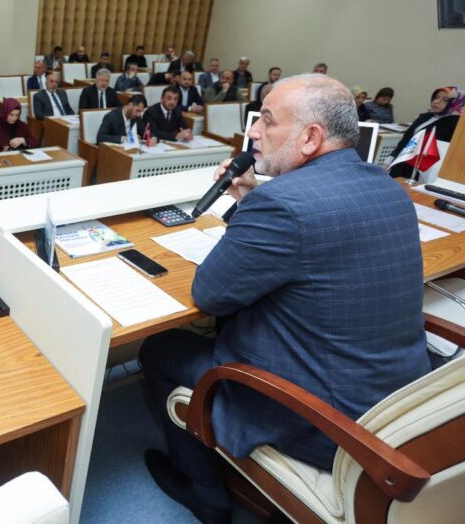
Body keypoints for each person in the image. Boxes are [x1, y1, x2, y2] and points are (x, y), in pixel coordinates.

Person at [139, 75, 429, 524]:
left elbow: (211, 294)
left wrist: (255, 207)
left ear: (311, 138)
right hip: (395, 400)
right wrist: (252, 201)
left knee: (160, 347)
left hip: (324, 420)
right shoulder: (389, 187)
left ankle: (204, 492)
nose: (253, 131)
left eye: (267, 122)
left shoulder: (284, 204)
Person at [387, 87, 465, 180]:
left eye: (445, 100)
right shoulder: (426, 116)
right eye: (436, 97)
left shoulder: (455, 124)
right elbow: (407, 139)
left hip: (421, 172)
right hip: (401, 163)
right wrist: (390, 159)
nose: (436, 102)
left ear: (456, 103)